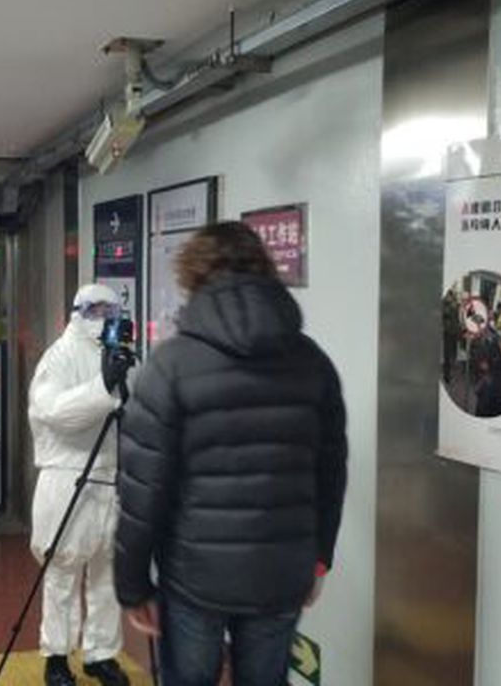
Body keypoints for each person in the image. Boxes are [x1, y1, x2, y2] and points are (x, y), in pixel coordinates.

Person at [115, 222, 348, 686]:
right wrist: (319, 556)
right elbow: (330, 473)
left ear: (193, 275)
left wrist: (133, 585)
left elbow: (143, 493)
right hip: (283, 572)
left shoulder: (170, 365)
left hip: (194, 578)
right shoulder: (313, 362)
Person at [28, 283, 132, 686]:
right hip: (69, 475)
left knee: (108, 575)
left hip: (112, 477)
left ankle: (101, 654)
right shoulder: (60, 356)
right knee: (62, 571)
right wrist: (102, 388)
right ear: (80, 310)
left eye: (113, 310)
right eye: (99, 309)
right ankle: (56, 655)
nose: (107, 317)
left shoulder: (118, 355)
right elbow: (53, 412)